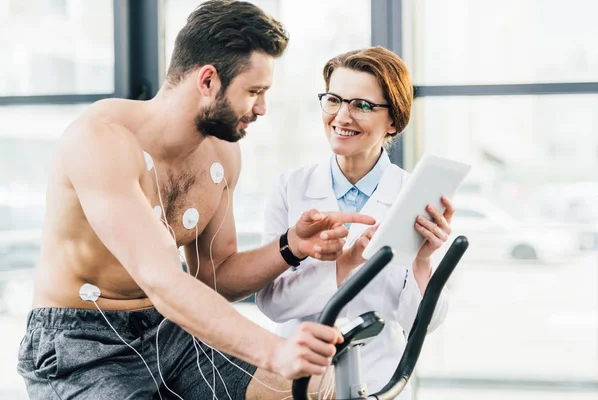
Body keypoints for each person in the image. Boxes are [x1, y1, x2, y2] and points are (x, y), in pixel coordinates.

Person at [16, 1, 376, 399]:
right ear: (208, 81)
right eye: (254, 91)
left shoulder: (223, 154)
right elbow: (164, 281)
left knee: (315, 389)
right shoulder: (101, 139)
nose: (262, 108)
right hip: (80, 345)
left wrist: (291, 246)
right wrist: (277, 350)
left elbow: (214, 277)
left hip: (171, 331)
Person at [256, 47, 453, 399]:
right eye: (334, 100)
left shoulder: (414, 195)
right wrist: (347, 264)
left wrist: (423, 260)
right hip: (296, 382)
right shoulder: (290, 188)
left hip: (380, 380)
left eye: (361, 105)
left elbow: (424, 324)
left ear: (393, 120)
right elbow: (272, 303)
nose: (341, 117)